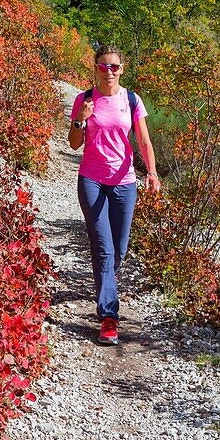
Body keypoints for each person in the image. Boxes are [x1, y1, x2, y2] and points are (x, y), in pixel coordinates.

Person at [68, 45, 160, 345]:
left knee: (119, 249)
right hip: (92, 180)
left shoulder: (131, 100)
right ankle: (109, 317)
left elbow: (143, 140)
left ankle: (107, 279)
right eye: (104, 67)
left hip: (124, 182)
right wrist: (80, 118)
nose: (109, 72)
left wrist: (152, 172)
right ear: (95, 68)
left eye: (115, 67)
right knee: (104, 249)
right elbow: (73, 144)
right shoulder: (85, 99)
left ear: (122, 69)